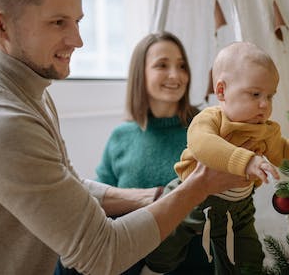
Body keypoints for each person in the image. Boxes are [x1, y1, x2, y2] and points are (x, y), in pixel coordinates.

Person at [0, 0, 248, 274]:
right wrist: (199, 186)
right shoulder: (2, 120)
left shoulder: (32, 88)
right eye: (58, 22)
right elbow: (100, 253)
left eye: (77, 21)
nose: (78, 40)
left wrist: (155, 195)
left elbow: (72, 184)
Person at [56, 32, 214, 275]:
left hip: (185, 258)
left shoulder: (204, 130)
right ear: (141, 73)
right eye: (162, 65)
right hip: (129, 256)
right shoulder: (121, 136)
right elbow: (101, 207)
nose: (176, 75)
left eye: (182, 66)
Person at [145, 42, 289, 274]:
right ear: (221, 91)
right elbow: (203, 145)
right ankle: (153, 269)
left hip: (238, 208)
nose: (265, 104)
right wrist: (248, 161)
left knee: (248, 258)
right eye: (255, 94)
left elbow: (283, 152)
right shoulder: (211, 119)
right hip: (190, 197)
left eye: (270, 96)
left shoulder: (266, 129)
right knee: (164, 243)